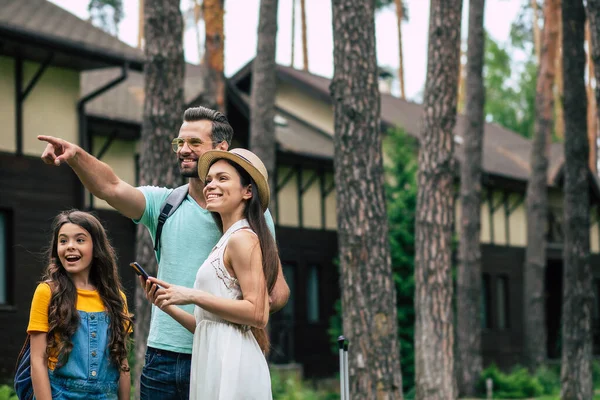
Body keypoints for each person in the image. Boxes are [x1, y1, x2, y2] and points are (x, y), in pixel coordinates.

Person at [38, 106, 290, 400]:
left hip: (220, 355)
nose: (183, 150)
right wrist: (76, 156)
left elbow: (276, 291)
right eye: (179, 143)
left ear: (221, 149)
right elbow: (110, 186)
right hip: (164, 358)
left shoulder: (251, 221)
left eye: (194, 143)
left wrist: (241, 310)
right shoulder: (165, 204)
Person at [148, 148, 277, 399]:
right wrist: (167, 303)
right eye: (209, 180)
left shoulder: (243, 239)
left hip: (233, 363)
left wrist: (194, 295)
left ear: (247, 191)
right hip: (212, 358)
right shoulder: (225, 240)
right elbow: (207, 324)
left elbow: (258, 313)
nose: (210, 185)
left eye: (222, 178)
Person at [27, 210, 133, 400]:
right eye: (63, 240)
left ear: (96, 247)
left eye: (80, 240)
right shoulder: (47, 293)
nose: (70, 247)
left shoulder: (117, 299)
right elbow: (38, 360)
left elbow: (122, 363)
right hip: (60, 394)